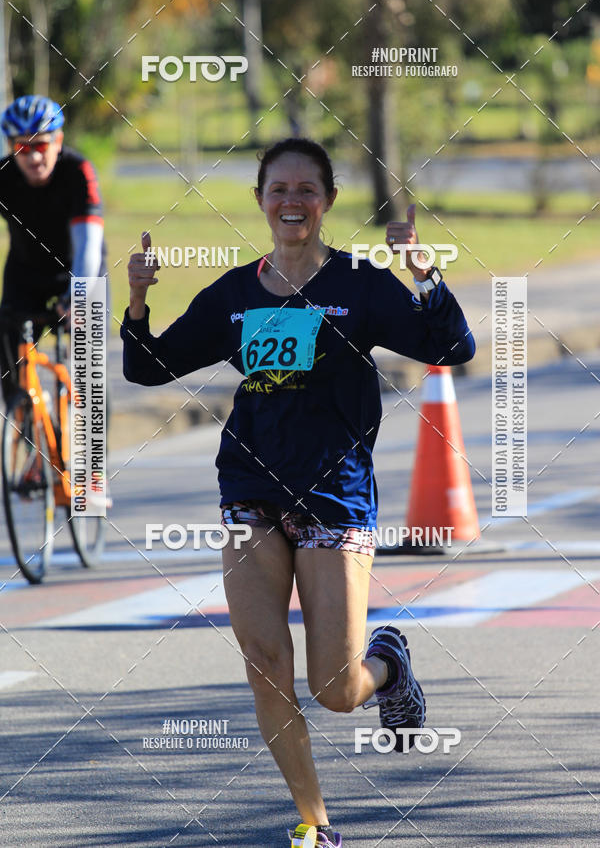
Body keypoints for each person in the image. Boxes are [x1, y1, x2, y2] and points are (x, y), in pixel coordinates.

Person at [121, 137, 475, 847]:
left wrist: (424, 275)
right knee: (263, 661)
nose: (291, 201)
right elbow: (149, 368)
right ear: (259, 200)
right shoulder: (235, 295)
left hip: (335, 495)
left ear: (327, 202)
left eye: (306, 190)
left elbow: (453, 349)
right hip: (249, 489)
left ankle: (389, 663)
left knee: (335, 689)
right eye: (278, 189)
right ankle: (316, 826)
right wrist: (135, 300)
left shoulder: (359, 285)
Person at [0, 94, 106, 404]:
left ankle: (90, 438)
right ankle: (22, 421)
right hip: (25, 273)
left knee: (90, 370)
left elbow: (89, 242)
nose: (33, 158)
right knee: (5, 341)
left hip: (79, 268)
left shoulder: (78, 171)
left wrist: (80, 294)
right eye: (22, 147)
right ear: (11, 148)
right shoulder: (4, 177)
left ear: (58, 141)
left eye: (41, 145)